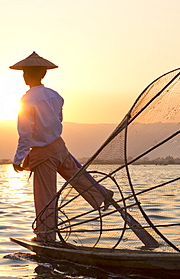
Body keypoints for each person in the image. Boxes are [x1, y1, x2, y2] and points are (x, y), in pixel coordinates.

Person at [10, 51, 113, 243]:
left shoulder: (27, 100)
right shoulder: (55, 96)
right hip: (59, 146)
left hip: (43, 152)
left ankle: (46, 236)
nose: (24, 76)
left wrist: (18, 159)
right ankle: (102, 194)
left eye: (26, 73)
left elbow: (25, 133)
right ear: (43, 74)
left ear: (28, 75)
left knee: (45, 196)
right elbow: (58, 121)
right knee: (78, 176)